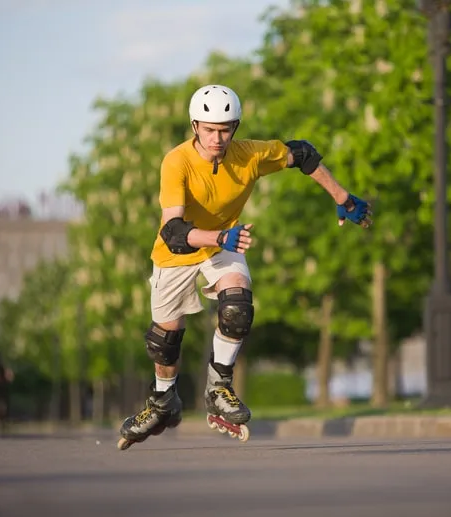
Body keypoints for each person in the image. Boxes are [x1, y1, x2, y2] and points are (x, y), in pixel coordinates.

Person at [117, 84, 372, 449]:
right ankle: (163, 400)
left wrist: (342, 197)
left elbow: (302, 154)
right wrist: (220, 238)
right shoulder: (176, 162)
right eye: (209, 129)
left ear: (235, 127)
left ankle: (219, 386)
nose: (217, 138)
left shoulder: (249, 155)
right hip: (182, 250)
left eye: (225, 129)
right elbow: (172, 231)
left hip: (225, 242)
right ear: (194, 126)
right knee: (164, 341)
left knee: (237, 305)